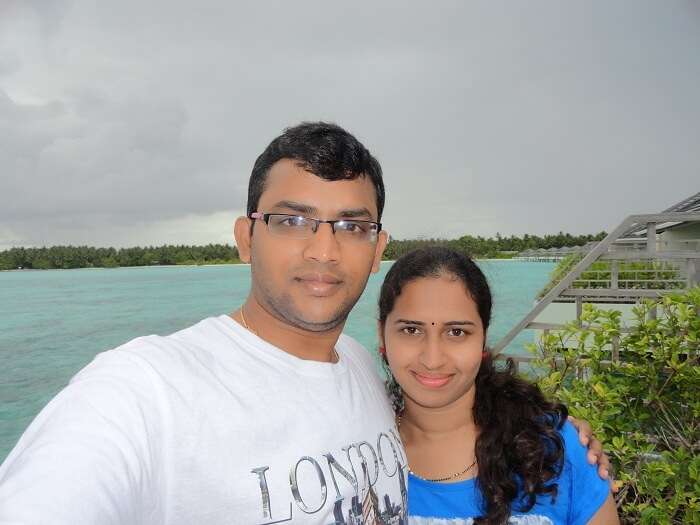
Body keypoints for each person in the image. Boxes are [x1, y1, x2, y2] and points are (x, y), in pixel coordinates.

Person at [0, 122, 608, 524]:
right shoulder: (143, 390)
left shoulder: (365, 371)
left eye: (350, 225)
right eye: (291, 220)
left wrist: (555, 434)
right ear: (245, 238)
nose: (323, 251)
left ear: (377, 248)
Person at [377, 246, 619, 525]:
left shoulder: (553, 451)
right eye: (411, 330)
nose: (433, 359)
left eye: (457, 332)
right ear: (382, 334)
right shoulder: (354, 455)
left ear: (483, 340)